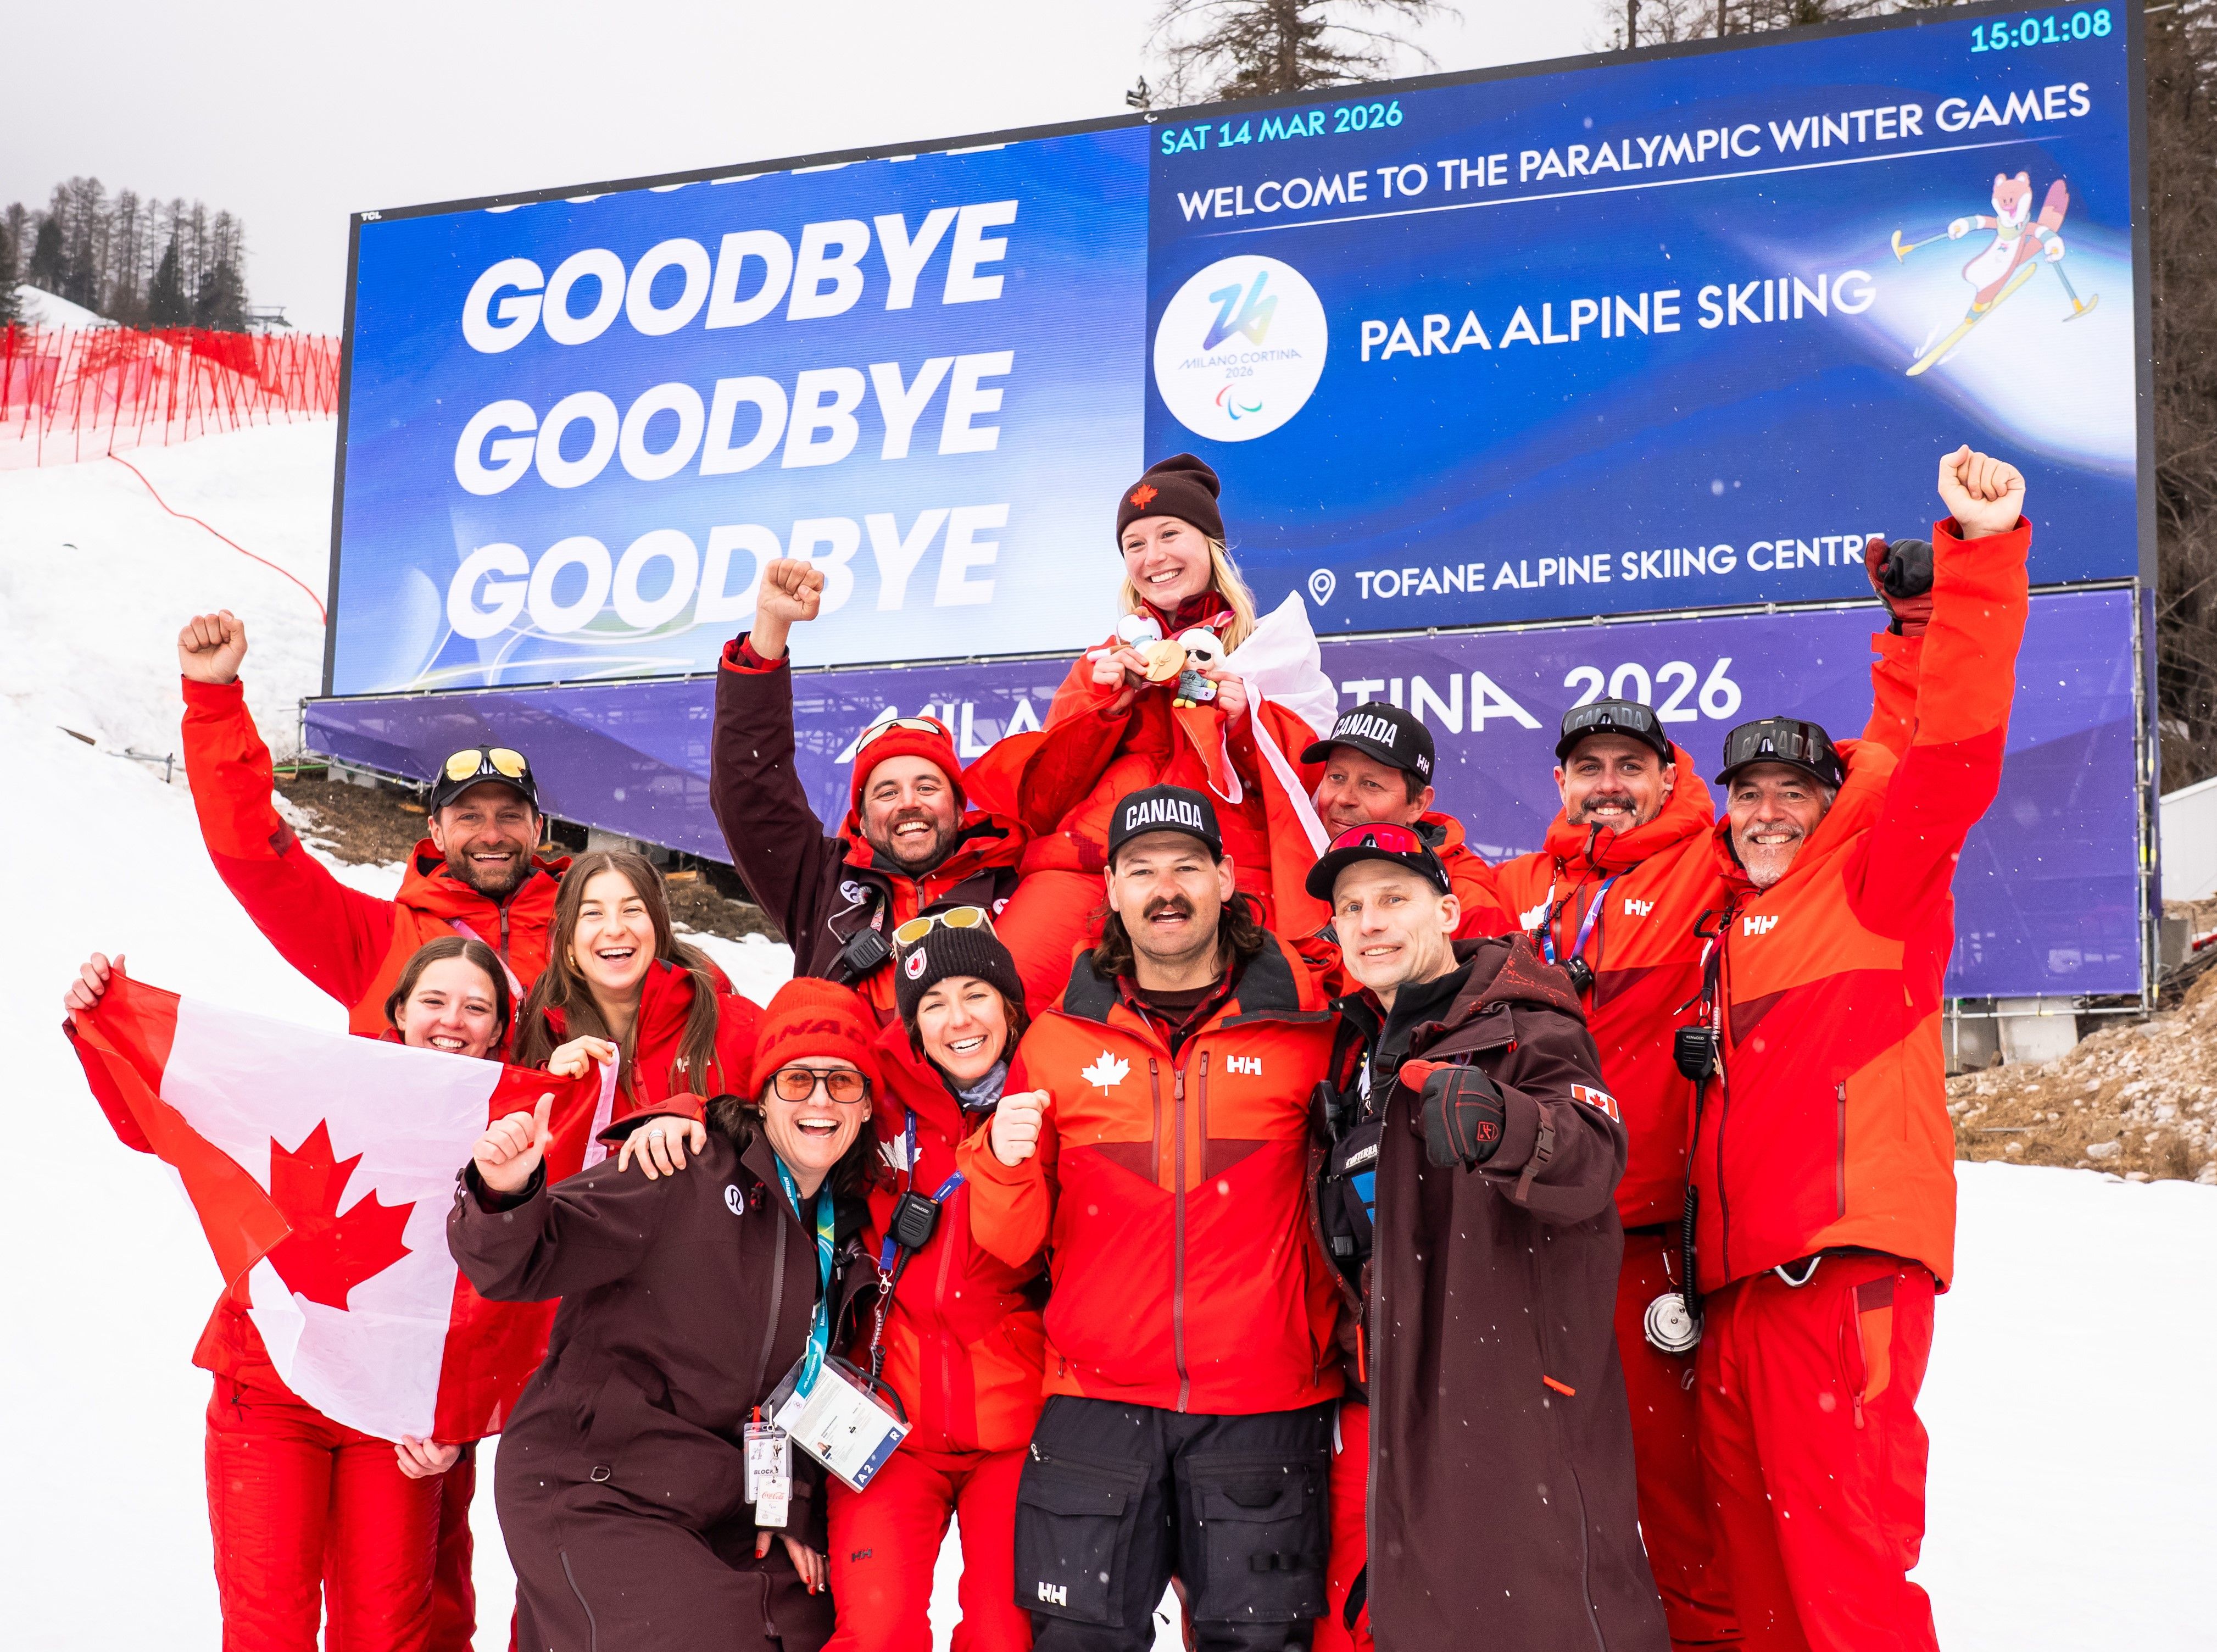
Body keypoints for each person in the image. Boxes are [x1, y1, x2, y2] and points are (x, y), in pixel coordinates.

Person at [1685, 446, 2030, 1652]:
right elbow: (1890, 736)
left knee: (1844, 1588)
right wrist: (1907, 624)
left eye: (1795, 790)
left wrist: (1975, 565)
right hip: (1736, 1303)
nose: (1767, 808)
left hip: (1834, 1280)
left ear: (1830, 806)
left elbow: (1938, 757)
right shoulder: (1730, 922)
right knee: (1764, 1595)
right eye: (1748, 792)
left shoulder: (1877, 894)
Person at [179, 607, 569, 1642]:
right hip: (353, 1292)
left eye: (509, 815)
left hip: (472, 1303)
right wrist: (215, 700)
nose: (490, 831)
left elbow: (683, 1032)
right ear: (432, 831)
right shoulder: (376, 942)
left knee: (424, 1576)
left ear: (539, 829)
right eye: (468, 815)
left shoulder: (589, 945)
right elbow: (258, 861)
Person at [960, 783, 1342, 1652]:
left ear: (1226, 876)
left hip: (1263, 1402)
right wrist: (999, 1160)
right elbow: (1012, 1244)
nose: (1165, 889)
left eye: (1185, 867)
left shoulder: (1309, 1029)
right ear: (1113, 895)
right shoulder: (1057, 1041)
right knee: (1077, 1642)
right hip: (1096, 1402)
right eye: (1141, 871)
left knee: (1261, 1644)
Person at [65, 936, 516, 1652]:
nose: (451, 1019)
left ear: (500, 1030)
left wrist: (459, 1423)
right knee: (268, 1628)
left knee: (387, 1634)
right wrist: (106, 1024)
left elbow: (516, 1301)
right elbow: (168, 1121)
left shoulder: (509, 1131)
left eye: (476, 1006)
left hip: (390, 1418)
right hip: (270, 1391)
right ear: (399, 1010)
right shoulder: (321, 1082)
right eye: (434, 999)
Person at [628, 912, 1050, 1652]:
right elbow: (776, 1081)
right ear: (911, 1021)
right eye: (934, 1002)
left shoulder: (1051, 1094)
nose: (958, 1019)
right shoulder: (877, 1089)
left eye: (977, 993)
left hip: (1013, 1421)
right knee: (876, 1628)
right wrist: (685, 1108)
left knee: (1004, 1633)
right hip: (888, 1417)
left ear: (1010, 1004)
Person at [1303, 822, 1668, 1651]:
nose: (1369, 922)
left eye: (1393, 899)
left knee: (1541, 1616)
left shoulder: (1527, 1026)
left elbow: (1590, 1156)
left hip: (1510, 1389)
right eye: (1351, 907)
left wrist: (1508, 1125)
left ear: (1447, 909)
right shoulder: (1353, 1048)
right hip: (1396, 1385)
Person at [449, 977, 884, 1652]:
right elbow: (525, 1259)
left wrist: (792, 1503)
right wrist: (505, 1191)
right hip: (597, 1479)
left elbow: (807, 1393)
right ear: (763, 1099)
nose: (820, 1100)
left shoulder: (849, 1239)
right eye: (797, 1081)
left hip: (729, 1505)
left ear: (864, 1110)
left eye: (843, 1083)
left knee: (811, 1631)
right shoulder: (684, 1165)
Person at [1485, 697, 1740, 1649]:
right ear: (1558, 782)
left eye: (1628, 766)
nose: (1607, 786)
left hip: (1646, 1245)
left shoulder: (1707, 866)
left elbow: (1809, 820)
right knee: (1534, 1508)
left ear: (1669, 776)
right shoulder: (1513, 887)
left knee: (1678, 1508)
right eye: (1587, 767)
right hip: (1523, 1246)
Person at [977, 455, 1338, 981]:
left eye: (1170, 534)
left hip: (1222, 872)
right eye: (1135, 544)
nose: (1154, 557)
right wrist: (1107, 713)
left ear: (1210, 545)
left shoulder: (1269, 652)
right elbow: (1043, 798)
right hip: (1090, 865)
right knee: (996, 992)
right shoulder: (1103, 664)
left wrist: (1244, 727)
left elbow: (1310, 793)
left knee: (1263, 1018)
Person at [710, 563, 1069, 1018]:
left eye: (927, 785)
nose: (909, 802)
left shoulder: (1016, 877)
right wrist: (770, 629)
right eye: (885, 791)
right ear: (859, 816)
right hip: (847, 1089)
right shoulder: (821, 884)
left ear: (960, 809)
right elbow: (750, 789)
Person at [509, 848, 760, 1125]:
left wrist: (702, 1120)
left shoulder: (736, 1025)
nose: (615, 929)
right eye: (593, 913)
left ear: (659, 927)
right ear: (567, 940)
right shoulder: (543, 1037)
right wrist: (553, 1095)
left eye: (632, 910)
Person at [1304, 701, 1517, 938]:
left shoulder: (1463, 897)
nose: (1344, 798)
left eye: (1371, 784)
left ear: (1417, 804)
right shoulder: (1283, 861)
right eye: (1336, 777)